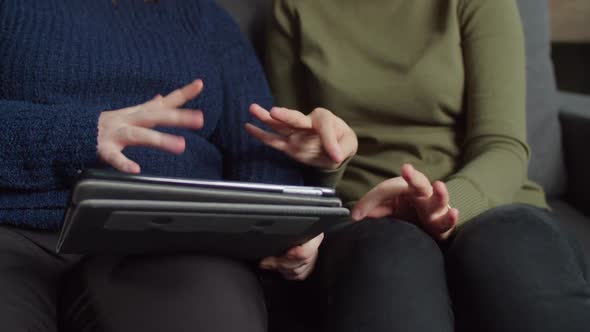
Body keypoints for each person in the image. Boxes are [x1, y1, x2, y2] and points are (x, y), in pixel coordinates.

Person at [0, 1, 376, 331]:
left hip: (168, 235)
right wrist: (83, 134)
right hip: (16, 228)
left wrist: (291, 230)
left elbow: (257, 151)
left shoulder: (207, 20)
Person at [247, 0, 590, 331]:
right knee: (390, 258)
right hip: (364, 217)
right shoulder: (294, 7)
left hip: (489, 204)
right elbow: (292, 160)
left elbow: (503, 146)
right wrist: (327, 163)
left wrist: (444, 205)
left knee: (510, 252)